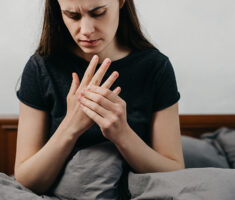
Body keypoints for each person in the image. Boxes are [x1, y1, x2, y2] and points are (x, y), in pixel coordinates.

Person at [15, 0, 184, 194]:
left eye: (98, 13)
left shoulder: (155, 67)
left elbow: (175, 171)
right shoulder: (42, 67)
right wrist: (70, 127)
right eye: (73, 16)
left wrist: (121, 134)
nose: (86, 30)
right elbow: (26, 180)